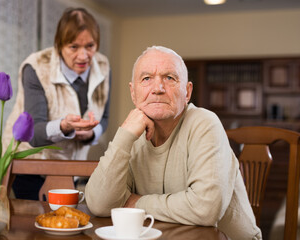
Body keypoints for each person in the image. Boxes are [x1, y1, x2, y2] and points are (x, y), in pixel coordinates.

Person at [85, 46, 262, 240]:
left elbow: (205, 209)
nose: (158, 89)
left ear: (187, 92)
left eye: (169, 78)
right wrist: (124, 135)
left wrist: (136, 203)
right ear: (133, 93)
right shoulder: (133, 131)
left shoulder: (205, 123)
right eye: (146, 79)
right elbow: (99, 205)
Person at [3, 7, 111, 200]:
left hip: (71, 168)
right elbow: (33, 133)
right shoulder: (36, 67)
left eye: (90, 46)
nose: (84, 56)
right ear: (59, 45)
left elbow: (104, 117)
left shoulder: (102, 66)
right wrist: (64, 126)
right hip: (31, 166)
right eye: (74, 47)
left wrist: (91, 133)